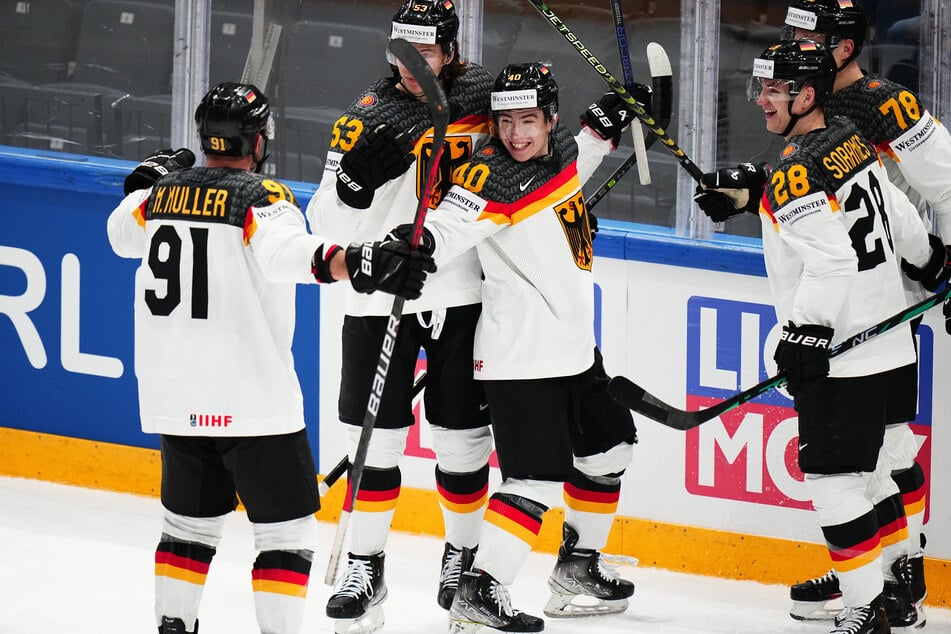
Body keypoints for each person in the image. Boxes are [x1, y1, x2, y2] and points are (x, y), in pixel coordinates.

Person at [107, 81, 434, 634]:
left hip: (175, 398)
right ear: (258, 142)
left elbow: (119, 235)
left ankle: (173, 625)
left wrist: (147, 182)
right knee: (285, 535)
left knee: (187, 527)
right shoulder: (262, 197)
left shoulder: (153, 199)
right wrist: (361, 260)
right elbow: (293, 255)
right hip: (252, 400)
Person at [701, 1, 951, 626]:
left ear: (809, 90)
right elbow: (893, 207)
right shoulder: (845, 140)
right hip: (891, 335)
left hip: (845, 348)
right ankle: (892, 586)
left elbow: (831, 259)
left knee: (835, 480)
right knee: (879, 469)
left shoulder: (824, 143)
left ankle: (867, 604)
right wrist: (930, 265)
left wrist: (805, 332)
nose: (761, 99)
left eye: (775, 89)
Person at [395, 61, 643, 633]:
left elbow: (590, 143)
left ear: (550, 119)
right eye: (504, 122)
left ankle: (577, 570)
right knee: (532, 481)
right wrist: (407, 245)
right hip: (521, 359)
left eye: (528, 120)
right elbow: (446, 226)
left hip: (576, 352)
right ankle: (481, 592)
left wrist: (625, 106)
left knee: (609, 454)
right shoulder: (490, 178)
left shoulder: (564, 159)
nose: (515, 135)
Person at [304, 1, 496, 631]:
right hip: (380, 296)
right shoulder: (367, 117)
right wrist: (353, 186)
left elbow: (530, 157)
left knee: (462, 439)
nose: (409, 68)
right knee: (375, 439)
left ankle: (464, 555)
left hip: (462, 290)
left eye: (424, 54)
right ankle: (367, 565)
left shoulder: (486, 96)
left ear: (451, 48)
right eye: (400, 53)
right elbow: (321, 224)